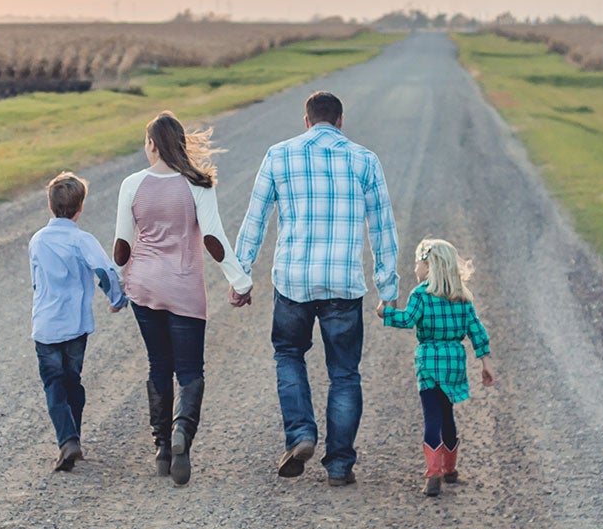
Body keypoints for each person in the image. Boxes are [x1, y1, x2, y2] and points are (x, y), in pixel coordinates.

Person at [233, 90, 398, 486]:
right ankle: (339, 465)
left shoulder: (279, 155)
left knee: (289, 354)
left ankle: (301, 434)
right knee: (344, 374)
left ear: (306, 121)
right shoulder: (364, 160)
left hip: (294, 281)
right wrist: (387, 288)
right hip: (343, 283)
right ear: (341, 122)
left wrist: (241, 276)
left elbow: (254, 219)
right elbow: (382, 227)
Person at [114, 112, 252, 486]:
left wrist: (117, 283)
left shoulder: (131, 184)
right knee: (190, 371)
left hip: (143, 286)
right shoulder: (197, 184)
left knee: (158, 363)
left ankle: (161, 448)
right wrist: (240, 281)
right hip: (183, 287)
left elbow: (123, 248)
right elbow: (214, 239)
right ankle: (181, 438)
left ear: (152, 145)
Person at [379, 238, 493, 496]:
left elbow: (407, 320)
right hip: (453, 360)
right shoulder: (461, 297)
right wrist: (486, 362)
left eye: (417, 263)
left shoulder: (421, 294)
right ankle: (450, 469)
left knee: (431, 416)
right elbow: (476, 330)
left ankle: (433, 473)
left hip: (428, 360)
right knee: (447, 415)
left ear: (429, 265)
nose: (415, 269)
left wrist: (384, 312)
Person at [29, 171, 127, 472]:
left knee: (53, 385)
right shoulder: (82, 240)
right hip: (75, 326)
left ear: (50, 205)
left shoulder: (38, 240)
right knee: (73, 382)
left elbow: (36, 282)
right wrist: (117, 299)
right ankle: (74, 438)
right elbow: (106, 270)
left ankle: (67, 440)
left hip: (45, 326)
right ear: (80, 207)